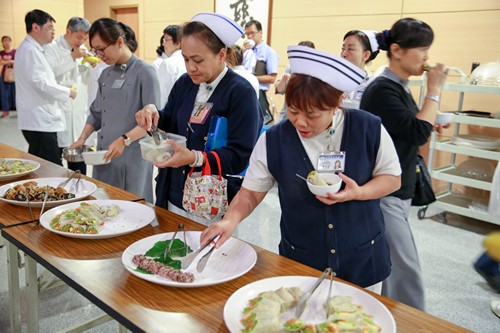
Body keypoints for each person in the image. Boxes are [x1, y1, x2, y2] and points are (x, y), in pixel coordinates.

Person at [200, 45, 401, 291]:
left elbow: (392, 178)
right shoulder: (274, 139)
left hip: (362, 261)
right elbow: (251, 193)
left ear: (337, 102)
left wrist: (359, 193)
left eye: (312, 114)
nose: (300, 122)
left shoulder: (368, 128)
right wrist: (229, 221)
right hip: (301, 261)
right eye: (293, 111)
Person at [135, 12, 262, 224]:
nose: (190, 67)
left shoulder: (240, 92)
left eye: (198, 60)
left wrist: (195, 158)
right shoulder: (185, 83)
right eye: (185, 59)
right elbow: (170, 120)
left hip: (210, 201)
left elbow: (240, 155)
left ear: (221, 55)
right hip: (173, 191)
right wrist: (153, 114)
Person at [360, 18, 449, 310]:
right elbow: (416, 130)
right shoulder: (382, 89)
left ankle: (395, 320)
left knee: (398, 269)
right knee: (406, 270)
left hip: (398, 189)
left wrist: (427, 121)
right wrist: (434, 90)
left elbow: (409, 128)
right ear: (396, 50)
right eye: (422, 49)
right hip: (386, 192)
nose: (426, 57)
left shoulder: (397, 87)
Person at [70, 18, 160, 202]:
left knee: (133, 208)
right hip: (104, 156)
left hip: (132, 156)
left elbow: (152, 123)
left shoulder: (145, 72)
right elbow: (96, 113)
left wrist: (124, 140)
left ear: (119, 41)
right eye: (95, 50)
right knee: (104, 204)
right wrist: (82, 138)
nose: (99, 55)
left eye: (101, 49)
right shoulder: (106, 74)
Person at [15, 9, 77, 165]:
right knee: (51, 166)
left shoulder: (36, 49)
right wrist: (67, 91)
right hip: (39, 119)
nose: (53, 32)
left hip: (41, 118)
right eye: (49, 27)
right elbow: (40, 83)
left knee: (39, 164)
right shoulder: (30, 50)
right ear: (36, 27)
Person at [44, 17, 92, 174]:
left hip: (78, 111)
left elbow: (84, 79)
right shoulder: (52, 48)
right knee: (56, 163)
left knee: (79, 165)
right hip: (58, 112)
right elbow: (49, 75)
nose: (81, 41)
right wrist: (72, 58)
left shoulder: (82, 49)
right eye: (79, 37)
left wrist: (91, 64)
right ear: (68, 31)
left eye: (85, 38)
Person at [242, 20, 279, 124]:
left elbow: (272, 78)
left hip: (259, 94)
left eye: (252, 33)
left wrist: (251, 78)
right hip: (243, 92)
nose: (249, 36)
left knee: (262, 125)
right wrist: (242, 52)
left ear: (261, 32)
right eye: (247, 34)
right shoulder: (247, 51)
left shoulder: (269, 52)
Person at [275, 40, 315, 122]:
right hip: (287, 116)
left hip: (307, 117)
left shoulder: (317, 72)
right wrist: (284, 80)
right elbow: (279, 90)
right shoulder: (290, 68)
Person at [340, 30, 380, 108]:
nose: (344, 54)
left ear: (366, 55)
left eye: (350, 49)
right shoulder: (332, 82)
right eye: (343, 49)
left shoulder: (373, 86)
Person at [157, 25, 186, 108]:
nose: (163, 44)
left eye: (166, 39)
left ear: (177, 43)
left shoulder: (168, 63)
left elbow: (162, 95)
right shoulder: (189, 61)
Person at [0, 36, 16, 118]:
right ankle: (5, 112)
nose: (6, 42)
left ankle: (20, 111)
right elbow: (1, 62)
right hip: (3, 76)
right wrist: (10, 61)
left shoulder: (15, 51)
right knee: (4, 94)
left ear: (10, 42)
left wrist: (6, 61)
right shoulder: (1, 53)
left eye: (8, 40)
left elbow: (17, 61)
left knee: (17, 94)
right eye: (4, 41)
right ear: (2, 43)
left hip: (14, 76)